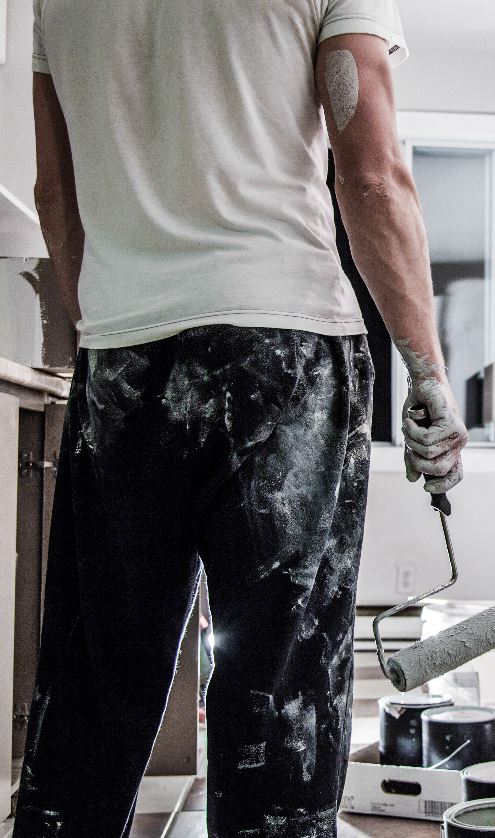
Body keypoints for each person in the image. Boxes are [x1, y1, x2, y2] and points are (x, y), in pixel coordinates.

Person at [16, 0, 467, 835]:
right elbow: (370, 177)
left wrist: (109, 331)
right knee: (278, 699)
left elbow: (56, 193)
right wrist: (428, 372)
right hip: (282, 353)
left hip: (123, 359)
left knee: (93, 687)